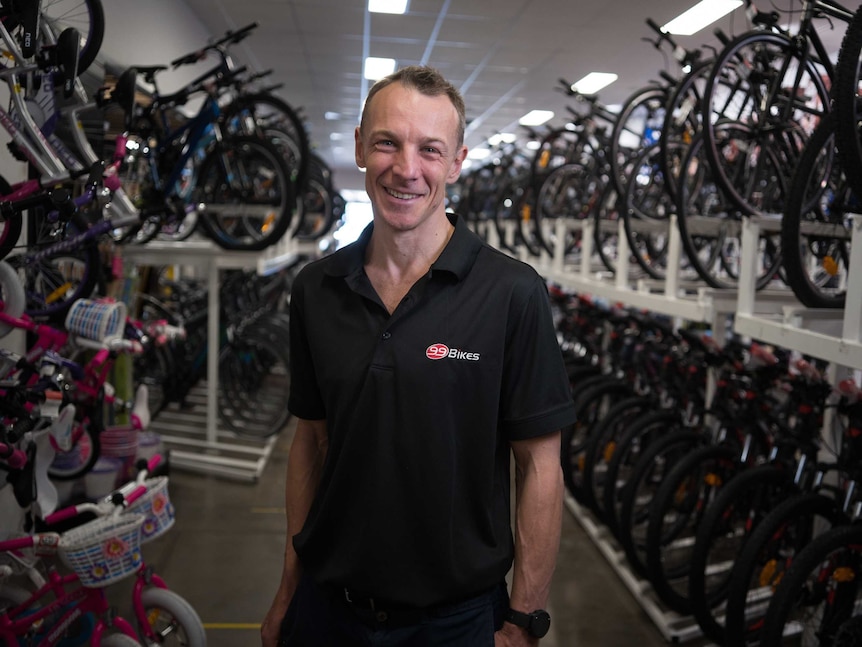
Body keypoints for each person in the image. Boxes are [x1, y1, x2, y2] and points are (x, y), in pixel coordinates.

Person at [261, 65, 576, 647]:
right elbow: (311, 442)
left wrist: (525, 619)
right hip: (327, 610)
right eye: (387, 142)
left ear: (456, 162)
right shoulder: (315, 288)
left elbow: (540, 466)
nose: (407, 169)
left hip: (455, 624)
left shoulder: (511, 293)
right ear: (360, 147)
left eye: (430, 150)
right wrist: (288, 587)